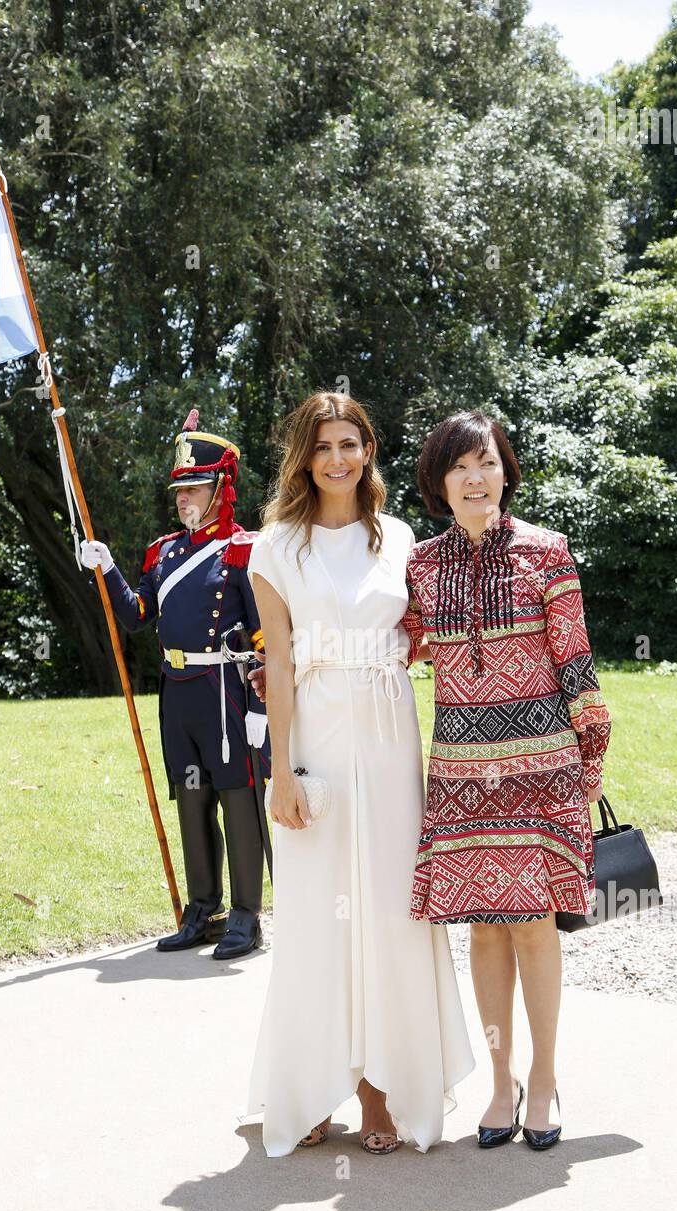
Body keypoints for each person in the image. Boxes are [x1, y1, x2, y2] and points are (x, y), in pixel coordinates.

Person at [240, 391, 474, 1157]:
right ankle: (309, 1088)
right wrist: (280, 771)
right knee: (315, 913)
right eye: (323, 446)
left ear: (368, 450)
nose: (338, 458)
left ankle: (383, 1093)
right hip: (315, 733)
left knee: (388, 909)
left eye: (351, 443)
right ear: (303, 457)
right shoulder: (275, 545)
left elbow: (429, 632)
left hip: (388, 738)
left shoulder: (399, 537)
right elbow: (276, 658)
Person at [401, 410, 612, 1150]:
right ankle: (501, 1081)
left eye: (486, 461)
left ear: (505, 469)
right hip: (461, 772)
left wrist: (590, 753)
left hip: (541, 766)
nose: (474, 477)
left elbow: (575, 660)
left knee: (531, 922)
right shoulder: (422, 566)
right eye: (459, 466)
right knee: (485, 927)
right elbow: (392, 643)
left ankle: (546, 1079)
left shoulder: (548, 552)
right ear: (439, 481)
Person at [80, 411, 271, 961]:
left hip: (225, 689)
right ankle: (203, 909)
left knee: (238, 800)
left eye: (194, 487)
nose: (183, 498)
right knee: (191, 798)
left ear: (220, 489)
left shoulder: (242, 549)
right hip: (177, 689)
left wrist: (261, 700)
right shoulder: (162, 552)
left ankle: (245, 915)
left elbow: (262, 631)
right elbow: (138, 615)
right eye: (180, 489)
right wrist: (108, 568)